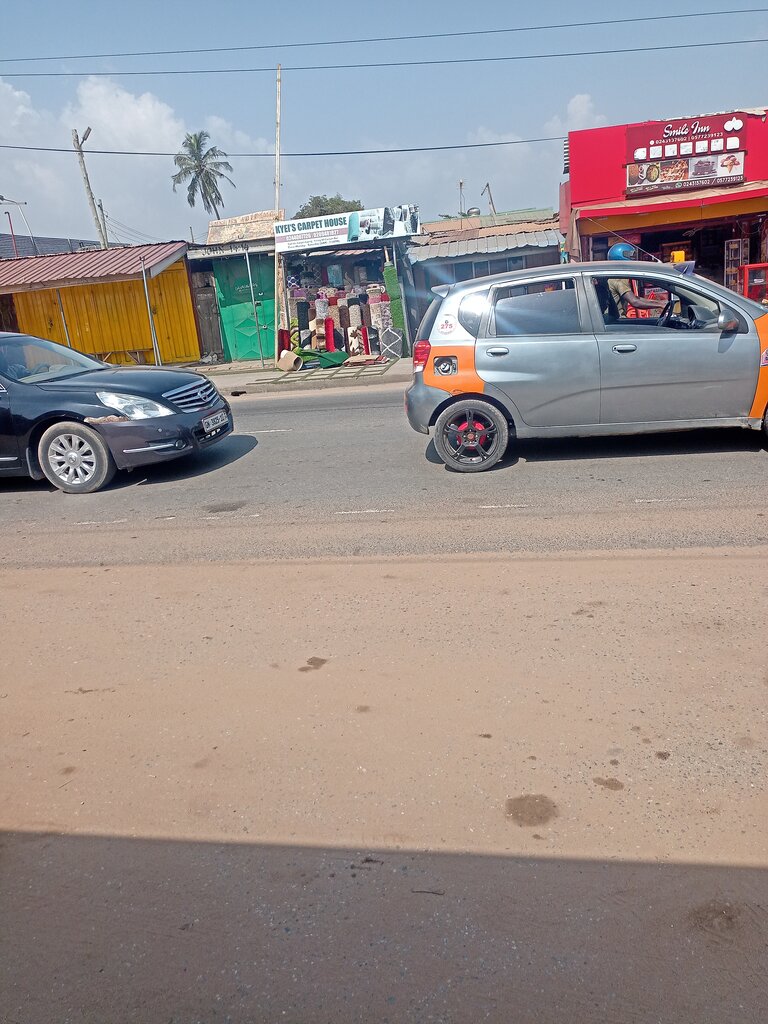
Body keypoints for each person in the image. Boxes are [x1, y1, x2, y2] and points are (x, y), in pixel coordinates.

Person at [606, 242, 668, 317]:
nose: (634, 259)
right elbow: (634, 301)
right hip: (617, 322)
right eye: (631, 256)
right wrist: (660, 305)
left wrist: (659, 303)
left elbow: (636, 298)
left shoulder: (615, 276)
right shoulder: (619, 279)